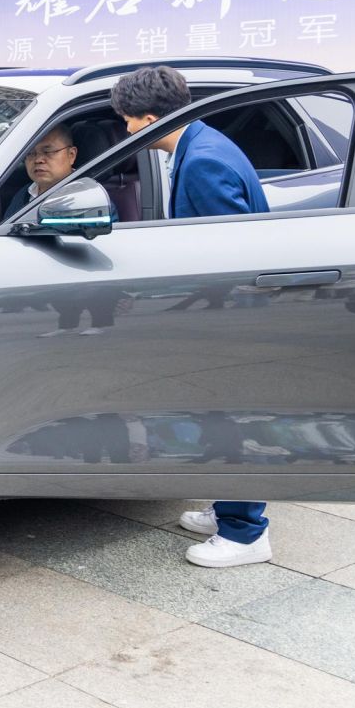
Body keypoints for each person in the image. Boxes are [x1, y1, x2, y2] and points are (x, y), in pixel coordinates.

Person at [112, 65, 272, 568]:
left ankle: (246, 534)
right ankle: (227, 510)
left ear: (150, 119)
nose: (126, 130)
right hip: (224, 315)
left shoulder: (203, 162)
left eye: (128, 120)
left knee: (229, 418)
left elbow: (232, 257)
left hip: (230, 320)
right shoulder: (203, 144)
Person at [3, 124, 78, 219]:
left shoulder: (85, 195)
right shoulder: (23, 194)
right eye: (30, 153)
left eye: (48, 152)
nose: (38, 160)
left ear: (71, 155)